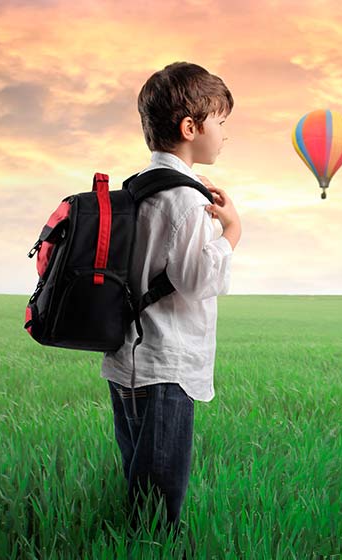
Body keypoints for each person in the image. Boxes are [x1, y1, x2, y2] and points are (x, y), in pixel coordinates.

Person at [100, 61, 241, 538]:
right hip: (165, 367)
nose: (223, 134)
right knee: (159, 508)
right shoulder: (186, 201)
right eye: (220, 122)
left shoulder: (138, 188)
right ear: (190, 127)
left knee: (140, 485)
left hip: (128, 360)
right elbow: (200, 280)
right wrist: (232, 230)